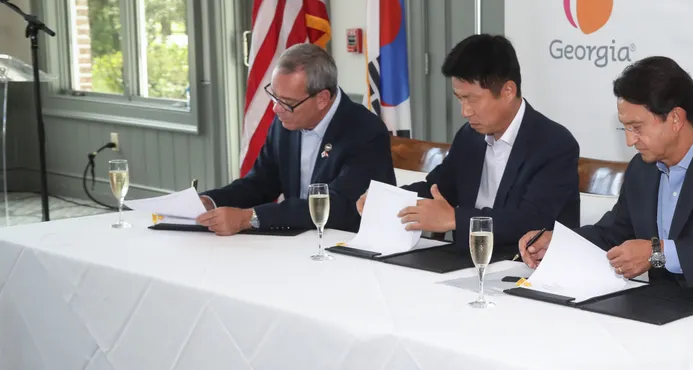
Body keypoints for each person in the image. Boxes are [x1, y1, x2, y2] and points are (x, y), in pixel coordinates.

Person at [518, 56, 693, 305]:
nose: (630, 141)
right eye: (625, 128)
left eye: (637, 128)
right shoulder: (643, 169)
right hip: (659, 309)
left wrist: (659, 253)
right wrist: (559, 243)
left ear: (675, 118)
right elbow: (613, 234)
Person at [359, 34, 580, 251]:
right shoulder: (470, 136)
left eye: (472, 99)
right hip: (466, 261)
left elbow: (530, 221)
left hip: (524, 268)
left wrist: (455, 218)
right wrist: (387, 201)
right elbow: (437, 188)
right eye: (459, 98)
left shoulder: (554, 145)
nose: (465, 111)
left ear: (508, 91)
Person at [198, 43, 394, 235]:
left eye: (287, 103)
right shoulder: (286, 122)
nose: (276, 109)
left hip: (345, 245)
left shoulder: (366, 132)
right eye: (274, 97)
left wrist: (248, 218)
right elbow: (261, 182)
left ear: (322, 99)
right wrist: (212, 201)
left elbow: (336, 206)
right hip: (296, 241)